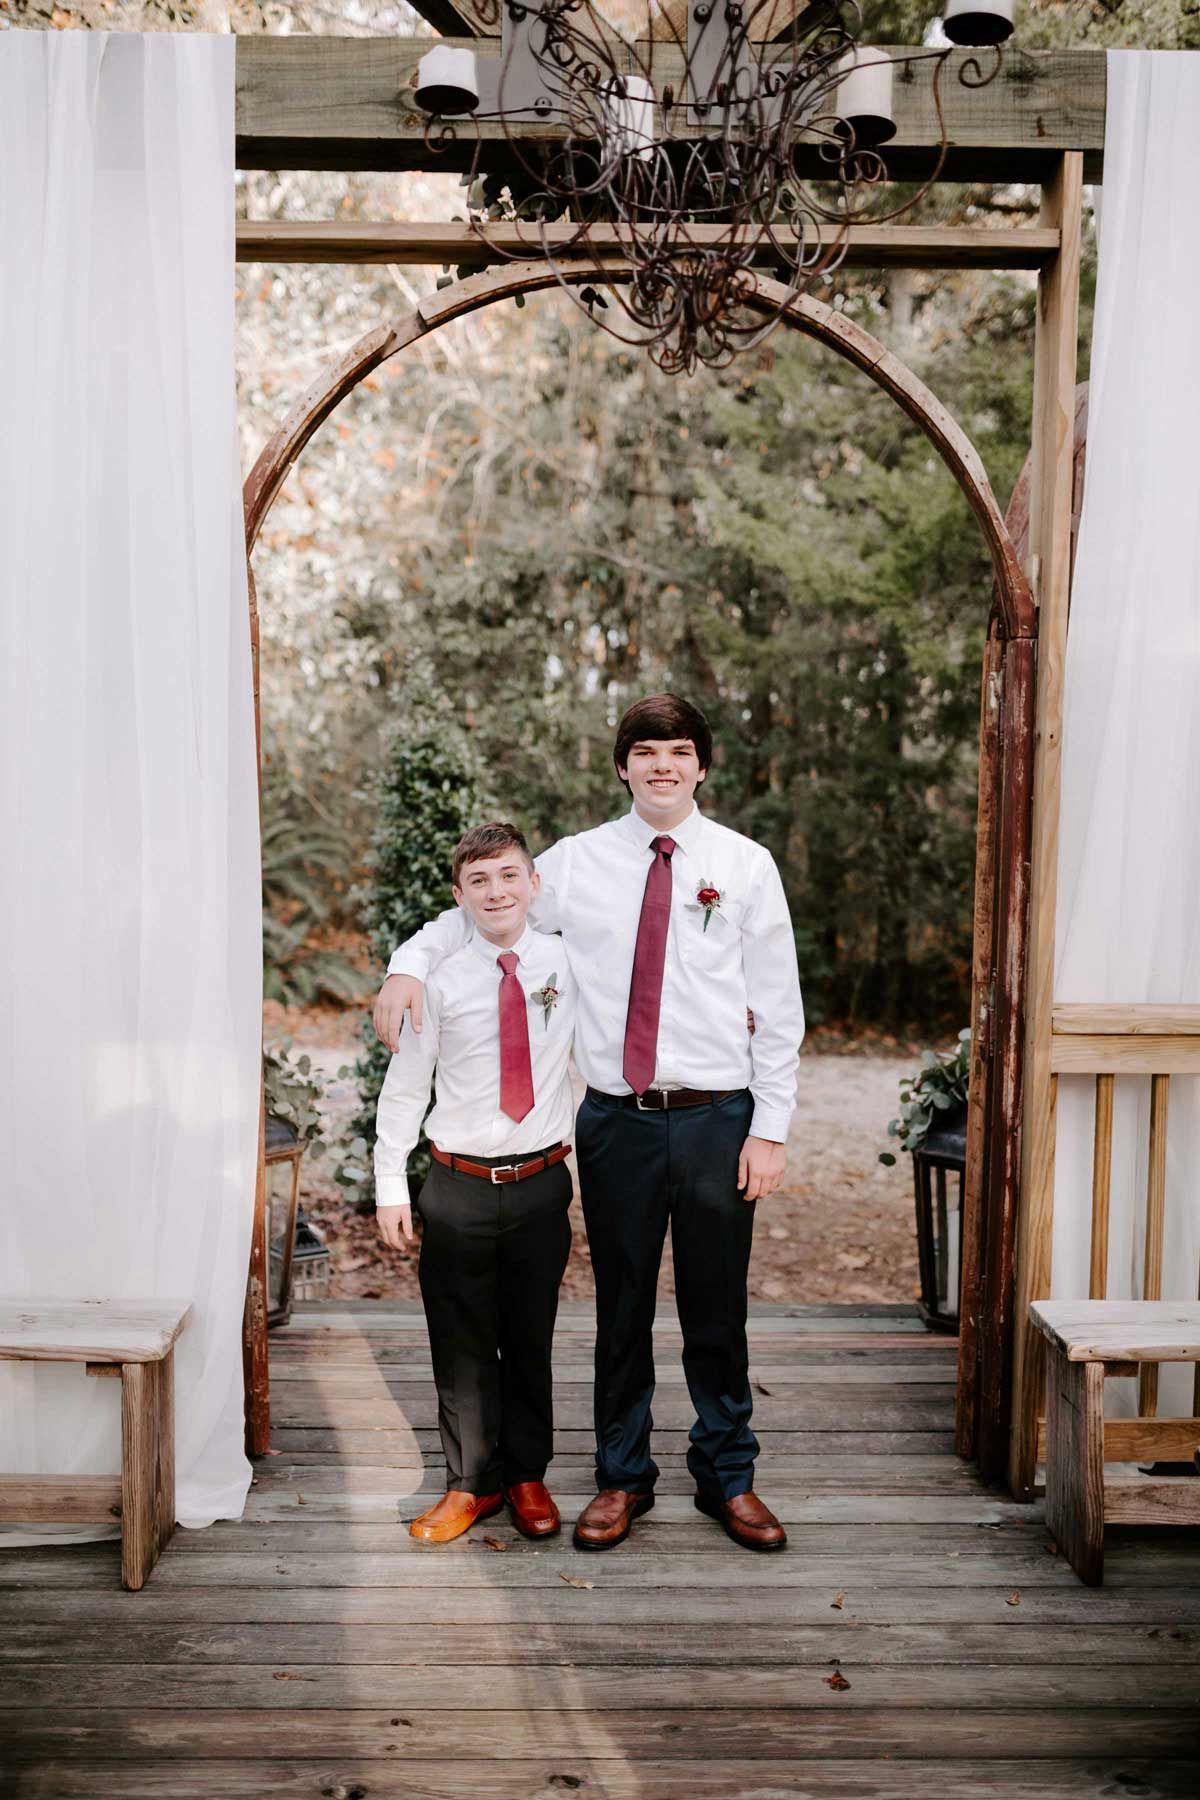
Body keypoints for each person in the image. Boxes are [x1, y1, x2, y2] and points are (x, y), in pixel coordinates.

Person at [375, 694, 804, 1553]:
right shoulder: (574, 863)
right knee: (623, 1306)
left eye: (679, 751)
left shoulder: (746, 865)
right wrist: (406, 967)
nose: (662, 765)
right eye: (645, 751)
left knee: (717, 1310)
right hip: (616, 1122)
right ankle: (622, 1477)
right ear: (622, 766)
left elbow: (778, 1002)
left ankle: (729, 1476)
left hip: (721, 1115)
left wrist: (772, 1124)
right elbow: (477, 912)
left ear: (702, 765)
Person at [374, 821, 577, 1545]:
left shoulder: (564, 964)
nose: (497, 891)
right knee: (459, 1339)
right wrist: (390, 1184)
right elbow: (405, 1088)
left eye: (509, 876)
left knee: (530, 1335)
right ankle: (470, 1483)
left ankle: (526, 1474)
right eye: (480, 881)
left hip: (541, 1180)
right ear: (459, 895)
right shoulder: (438, 980)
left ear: (534, 885)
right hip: (457, 1183)